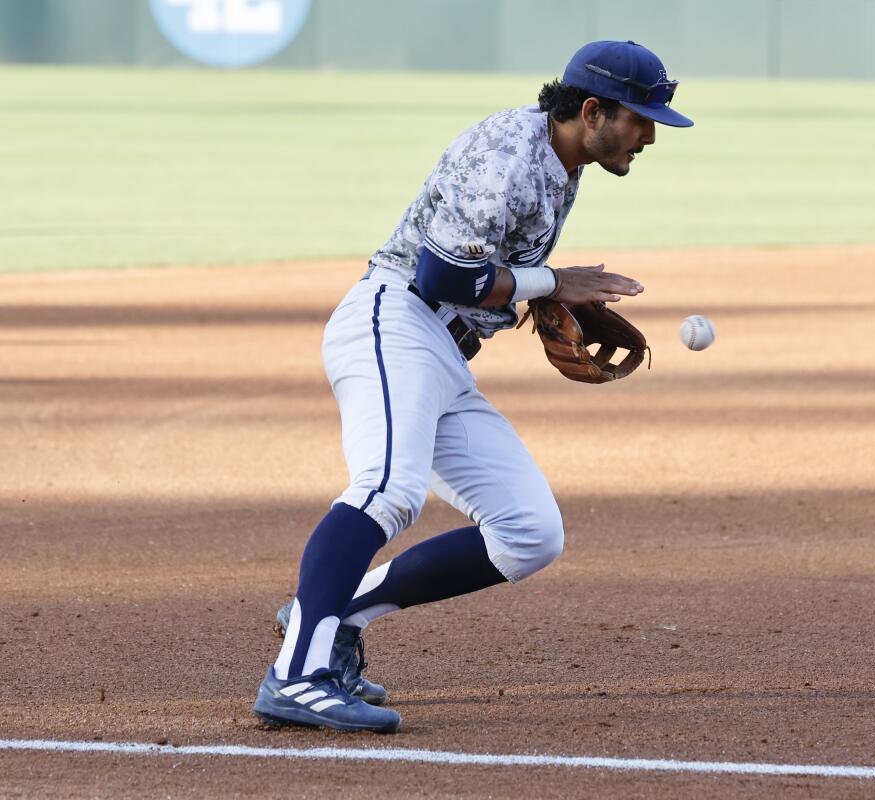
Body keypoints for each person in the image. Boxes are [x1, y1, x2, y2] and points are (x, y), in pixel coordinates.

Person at [251, 40, 693, 733]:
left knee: (530, 532)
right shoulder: (511, 154)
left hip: (443, 356)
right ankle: (297, 674)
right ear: (590, 111)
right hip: (395, 322)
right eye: (639, 119)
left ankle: (334, 617)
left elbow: (488, 277)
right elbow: (443, 278)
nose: (650, 134)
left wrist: (555, 300)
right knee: (386, 488)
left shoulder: (562, 160)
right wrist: (556, 282)